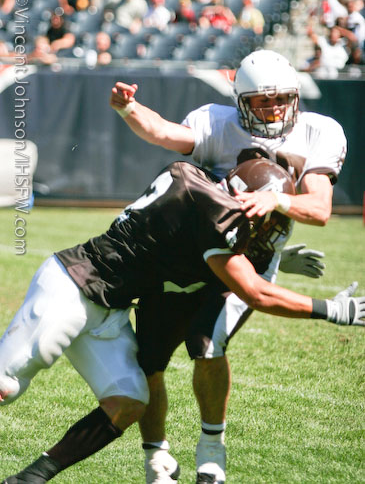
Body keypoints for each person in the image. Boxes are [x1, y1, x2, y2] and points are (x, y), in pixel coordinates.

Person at [2, 158, 364, 483]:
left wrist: (276, 259)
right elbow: (256, 292)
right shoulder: (215, 213)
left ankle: (30, 478)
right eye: (269, 220)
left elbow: (185, 242)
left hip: (109, 311)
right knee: (5, 386)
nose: (271, 231)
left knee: (128, 400)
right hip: (72, 286)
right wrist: (333, 310)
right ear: (245, 201)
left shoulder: (194, 188)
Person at [109, 49, 348, 484]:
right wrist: (130, 108)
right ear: (241, 101)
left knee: (206, 344)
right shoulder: (217, 121)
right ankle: (156, 457)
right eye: (260, 101)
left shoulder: (319, 131)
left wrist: (276, 200)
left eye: (280, 98)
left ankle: (211, 446)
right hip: (187, 251)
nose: (273, 108)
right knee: (149, 357)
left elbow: (319, 207)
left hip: (248, 258)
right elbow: (163, 132)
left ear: (295, 95)